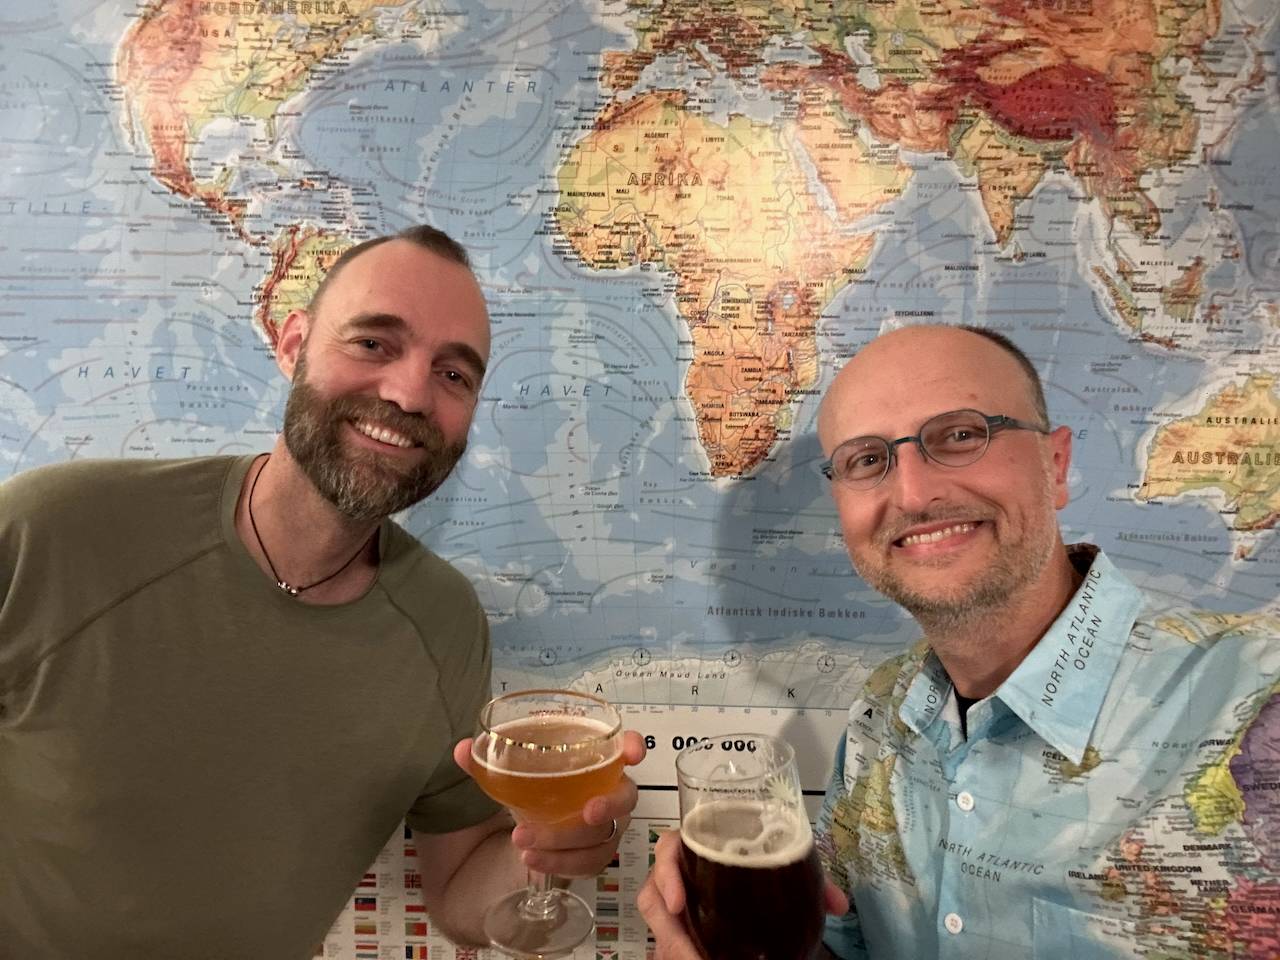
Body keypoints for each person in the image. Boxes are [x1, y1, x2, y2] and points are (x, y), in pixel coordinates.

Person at [0, 225, 644, 958]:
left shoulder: (445, 622)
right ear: (292, 344)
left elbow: (462, 895)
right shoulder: (51, 532)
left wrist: (555, 848)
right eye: (372, 343)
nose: (409, 393)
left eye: (453, 375)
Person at [639, 324, 1279, 958]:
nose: (914, 493)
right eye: (868, 460)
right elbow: (844, 946)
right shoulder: (882, 712)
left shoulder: (1258, 703)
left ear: (1055, 465)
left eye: (960, 435)